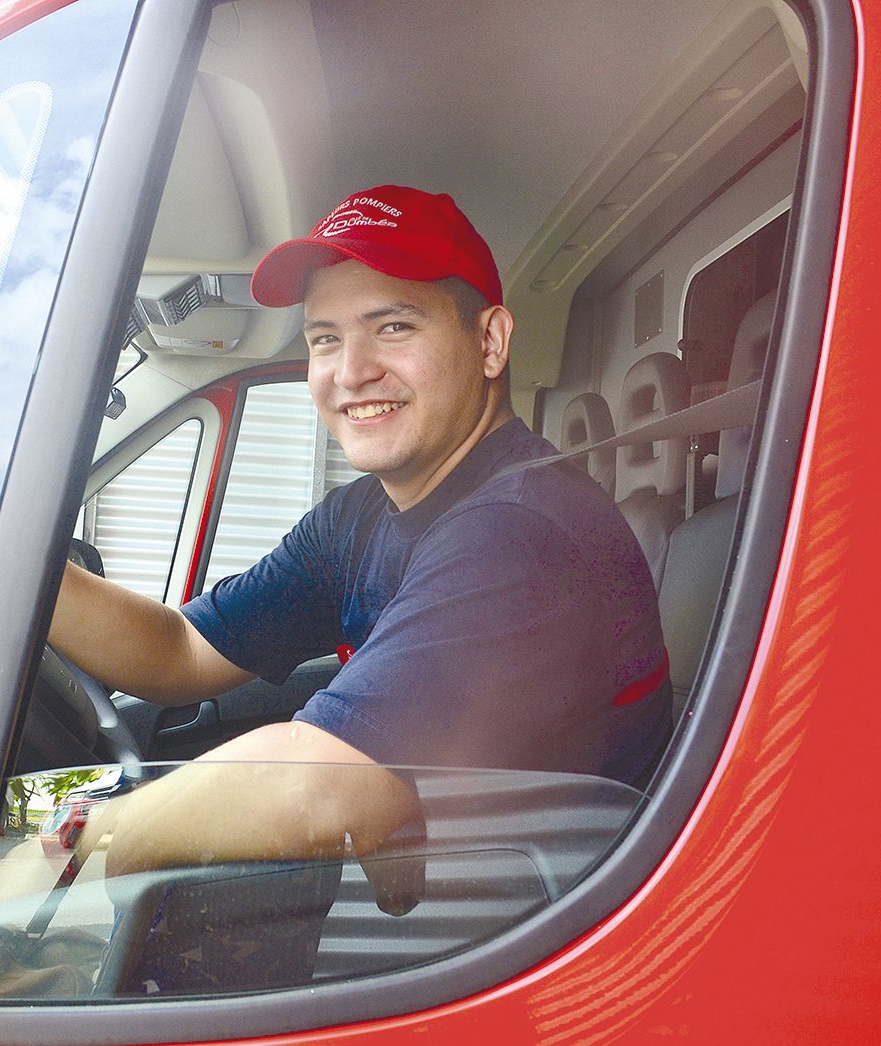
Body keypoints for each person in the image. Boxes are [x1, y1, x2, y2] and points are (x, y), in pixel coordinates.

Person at [48, 185, 670, 892]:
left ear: (489, 341)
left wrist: (67, 844)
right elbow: (180, 650)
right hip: (449, 908)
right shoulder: (358, 516)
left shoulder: (521, 534)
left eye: (394, 327)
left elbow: (321, 789)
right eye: (324, 339)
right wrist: (27, 581)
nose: (350, 372)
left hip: (535, 936)